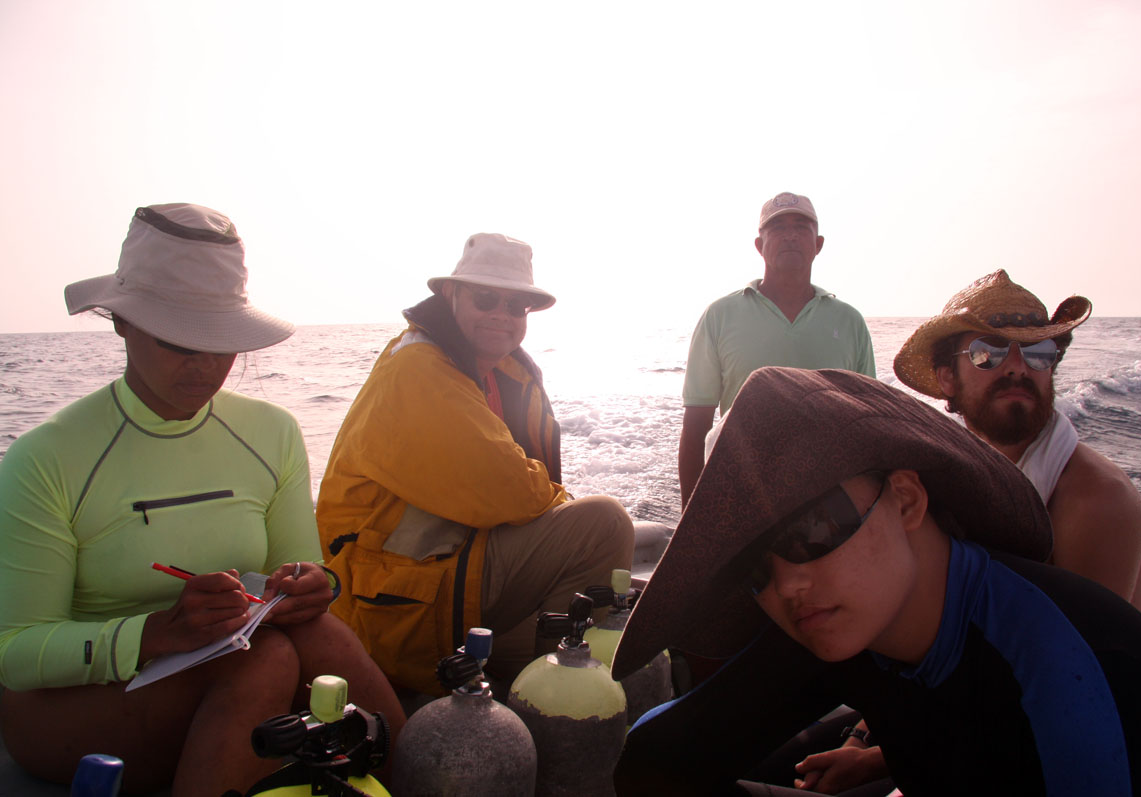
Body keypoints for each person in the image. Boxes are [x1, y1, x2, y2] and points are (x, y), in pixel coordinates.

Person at [612, 367, 1141, 796]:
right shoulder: (846, 617)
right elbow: (655, 759)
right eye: (754, 568)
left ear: (908, 499)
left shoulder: (1062, 673)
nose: (788, 583)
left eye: (813, 530)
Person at [0, 204, 406, 797]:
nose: (207, 364)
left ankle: (426, 778)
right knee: (265, 658)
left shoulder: (273, 433)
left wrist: (318, 585)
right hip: (69, 709)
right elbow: (15, 651)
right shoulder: (46, 458)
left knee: (315, 632)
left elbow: (304, 570)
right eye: (179, 340)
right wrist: (156, 633)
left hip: (231, 676)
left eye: (222, 341)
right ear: (122, 323)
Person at [316, 232, 634, 694]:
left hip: (446, 577)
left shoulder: (494, 372)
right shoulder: (419, 369)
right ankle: (551, 697)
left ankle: (535, 683)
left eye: (516, 306)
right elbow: (508, 490)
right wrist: (559, 504)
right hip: (394, 606)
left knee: (599, 577)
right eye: (486, 299)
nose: (502, 315)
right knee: (603, 524)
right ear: (451, 295)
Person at [893, 269, 1141, 617]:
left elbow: (1081, 660)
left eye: (1038, 352)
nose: (1018, 367)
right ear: (947, 377)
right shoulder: (948, 476)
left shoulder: (1096, 498)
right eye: (988, 353)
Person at [679, 192, 875, 506]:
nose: (790, 235)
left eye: (801, 227)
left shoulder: (850, 321)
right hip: (743, 492)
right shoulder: (719, 316)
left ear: (818, 244)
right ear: (759, 245)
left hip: (830, 498)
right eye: (778, 228)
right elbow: (696, 426)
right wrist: (691, 519)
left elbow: (869, 425)